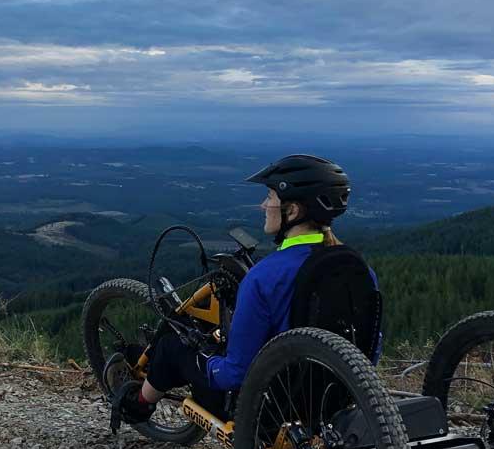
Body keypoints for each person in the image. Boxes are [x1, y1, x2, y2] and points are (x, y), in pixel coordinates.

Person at [111, 154, 366, 429]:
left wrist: (206, 363)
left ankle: (138, 404)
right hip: (334, 402)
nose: (263, 205)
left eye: (270, 197)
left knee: (173, 345)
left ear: (292, 211)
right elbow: (367, 347)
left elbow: (235, 374)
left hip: (266, 411)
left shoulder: (264, 276)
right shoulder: (357, 268)